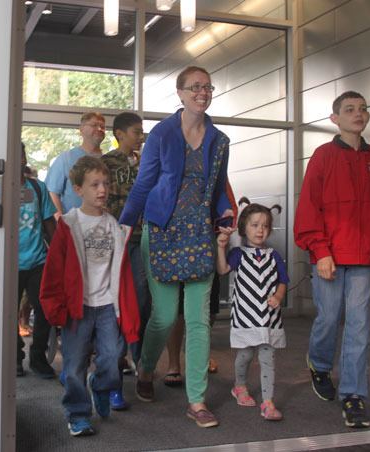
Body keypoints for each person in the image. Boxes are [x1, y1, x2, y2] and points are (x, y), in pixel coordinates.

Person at [119, 66, 235, 428]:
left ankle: (197, 401)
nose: (203, 92)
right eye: (195, 87)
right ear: (180, 93)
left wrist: (225, 213)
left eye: (207, 86)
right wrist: (125, 223)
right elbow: (144, 184)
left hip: (200, 235)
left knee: (199, 319)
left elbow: (216, 190)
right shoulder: (162, 134)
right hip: (163, 231)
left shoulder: (220, 140)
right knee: (165, 316)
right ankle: (146, 368)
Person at [294, 91, 370, 428]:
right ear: (335, 119)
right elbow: (308, 209)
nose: (358, 114)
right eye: (349, 109)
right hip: (330, 257)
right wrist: (320, 251)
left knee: (359, 326)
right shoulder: (322, 156)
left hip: (365, 257)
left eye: (363, 109)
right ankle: (319, 364)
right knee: (329, 317)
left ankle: (353, 395)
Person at [40, 156, 139, 437]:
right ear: (78, 188)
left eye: (105, 183)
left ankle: (100, 385)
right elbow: (54, 271)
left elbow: (122, 274)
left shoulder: (114, 227)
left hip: (108, 306)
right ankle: (78, 414)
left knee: (112, 360)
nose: (102, 190)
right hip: (78, 307)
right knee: (73, 366)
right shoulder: (69, 225)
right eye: (94, 184)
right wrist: (56, 307)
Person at [216, 197, 288, 421]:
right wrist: (221, 247)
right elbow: (223, 269)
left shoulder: (274, 256)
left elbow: (283, 281)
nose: (260, 230)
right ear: (244, 228)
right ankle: (239, 386)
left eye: (265, 226)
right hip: (245, 317)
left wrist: (278, 296)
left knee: (268, 358)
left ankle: (267, 402)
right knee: (245, 355)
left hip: (269, 318)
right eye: (255, 225)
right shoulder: (238, 254)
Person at [101, 111, 149, 410]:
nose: (140, 136)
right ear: (119, 133)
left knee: (142, 302)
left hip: (142, 241)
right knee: (115, 308)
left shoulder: (146, 162)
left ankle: (140, 360)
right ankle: (113, 376)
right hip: (115, 243)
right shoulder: (105, 164)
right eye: (135, 131)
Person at [17, 144, 57, 378]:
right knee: (7, 313)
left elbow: (49, 225)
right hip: (8, 264)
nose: (18, 159)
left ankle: (38, 357)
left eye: (21, 154)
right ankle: (14, 357)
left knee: (45, 309)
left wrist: (58, 256)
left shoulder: (37, 188)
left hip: (37, 261)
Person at [45, 112, 106, 217]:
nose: (99, 129)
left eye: (102, 127)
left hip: (100, 226)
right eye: (94, 125)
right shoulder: (66, 158)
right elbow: (52, 192)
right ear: (81, 130)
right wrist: (60, 221)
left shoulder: (108, 160)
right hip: (71, 227)